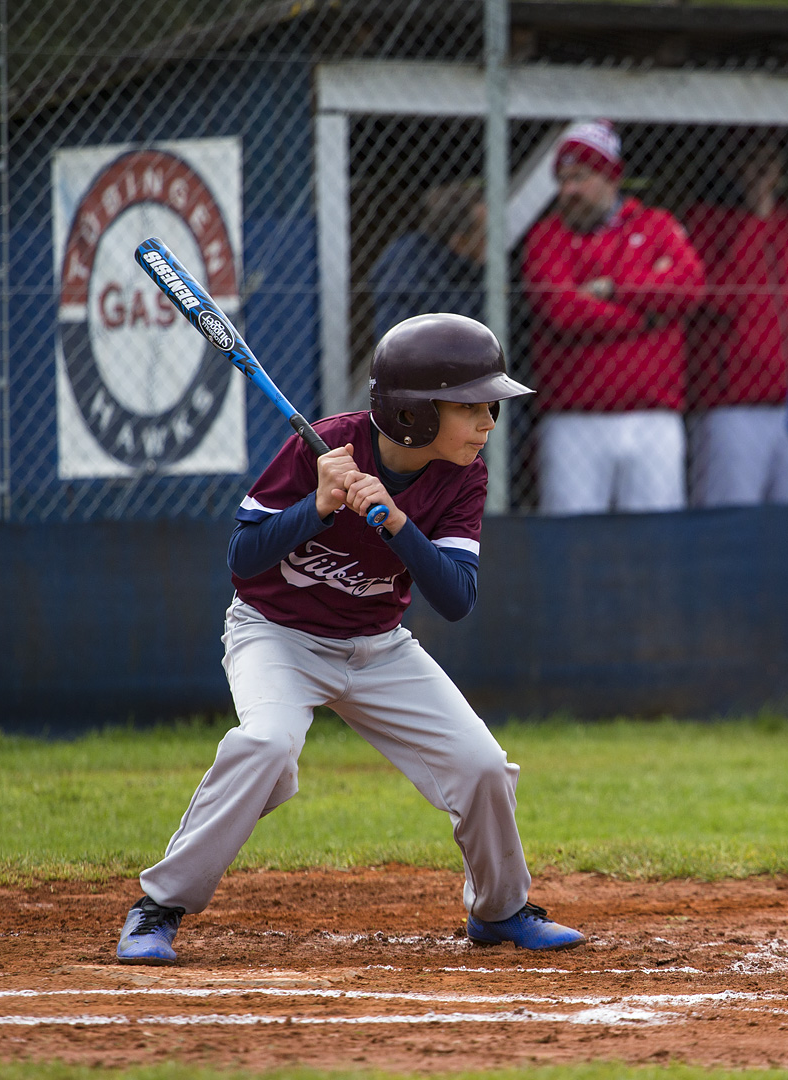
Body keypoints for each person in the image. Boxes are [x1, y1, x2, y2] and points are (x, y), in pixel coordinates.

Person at [115, 312, 586, 964]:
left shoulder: (464, 474)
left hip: (377, 645)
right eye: (471, 407)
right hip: (277, 636)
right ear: (414, 414)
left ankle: (499, 910)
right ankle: (158, 906)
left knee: (481, 766)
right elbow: (243, 560)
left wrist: (396, 524)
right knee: (265, 745)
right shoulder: (326, 448)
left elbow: (455, 598)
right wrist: (318, 506)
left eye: (490, 406)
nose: (488, 422)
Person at [522, 119, 705, 514]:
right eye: (562, 180)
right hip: (573, 420)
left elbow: (689, 286)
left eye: (579, 177)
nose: (568, 190)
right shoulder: (547, 236)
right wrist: (648, 319)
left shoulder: (656, 225)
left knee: (657, 536)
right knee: (571, 538)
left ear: (611, 177)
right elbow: (563, 312)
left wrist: (614, 289)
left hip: (653, 418)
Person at [682, 128, 788, 507]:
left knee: (786, 517)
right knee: (729, 516)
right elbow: (718, 298)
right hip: (730, 402)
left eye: (769, 160)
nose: (761, 169)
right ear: (729, 166)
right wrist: (754, 219)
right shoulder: (704, 221)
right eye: (750, 160)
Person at [369, 183, 487, 341]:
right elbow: (398, 343)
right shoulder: (406, 273)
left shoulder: (469, 270)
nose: (494, 243)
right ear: (460, 242)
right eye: (485, 235)